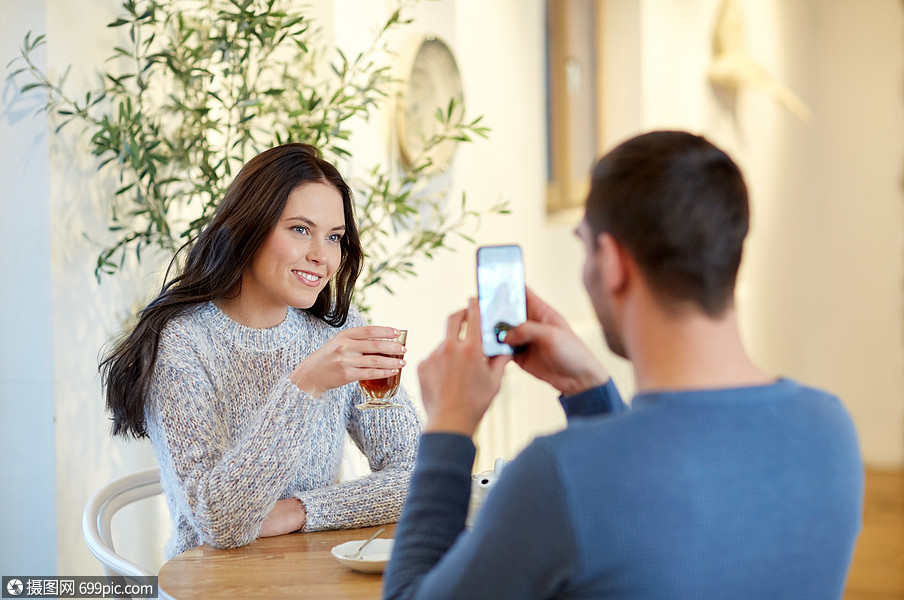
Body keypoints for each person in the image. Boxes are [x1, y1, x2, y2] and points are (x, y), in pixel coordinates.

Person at [383, 131, 863, 599]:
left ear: (611, 261)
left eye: (585, 245)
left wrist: (449, 427)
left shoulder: (557, 475)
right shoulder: (829, 429)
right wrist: (589, 390)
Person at [99, 143, 421, 559]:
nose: (321, 257)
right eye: (300, 229)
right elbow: (222, 522)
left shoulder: (340, 329)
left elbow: (418, 474)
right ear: (251, 227)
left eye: (334, 237)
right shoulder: (182, 346)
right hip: (214, 584)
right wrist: (306, 383)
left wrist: (302, 511)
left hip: (312, 579)